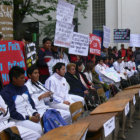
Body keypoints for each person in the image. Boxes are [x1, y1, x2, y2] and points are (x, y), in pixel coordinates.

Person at [0, 66, 42, 135]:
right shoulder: (6, 92)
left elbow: (31, 103)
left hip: (31, 115)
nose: (24, 80)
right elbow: (12, 113)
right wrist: (30, 118)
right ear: (14, 79)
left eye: (24, 77)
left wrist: (35, 113)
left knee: (47, 124)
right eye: (21, 78)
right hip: (19, 120)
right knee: (39, 130)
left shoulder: (24, 87)